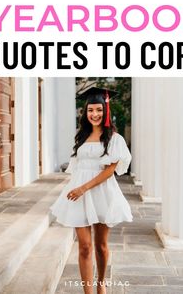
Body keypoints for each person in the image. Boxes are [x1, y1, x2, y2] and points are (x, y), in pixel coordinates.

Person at [50, 87, 133, 294]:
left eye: (98, 110)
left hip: (102, 193)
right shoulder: (82, 137)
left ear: (105, 111)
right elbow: (78, 168)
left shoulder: (115, 139)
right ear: (85, 113)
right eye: (90, 110)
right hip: (78, 195)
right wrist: (76, 188)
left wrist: (83, 188)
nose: (94, 114)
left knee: (101, 246)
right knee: (84, 246)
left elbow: (109, 171)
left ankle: (101, 282)